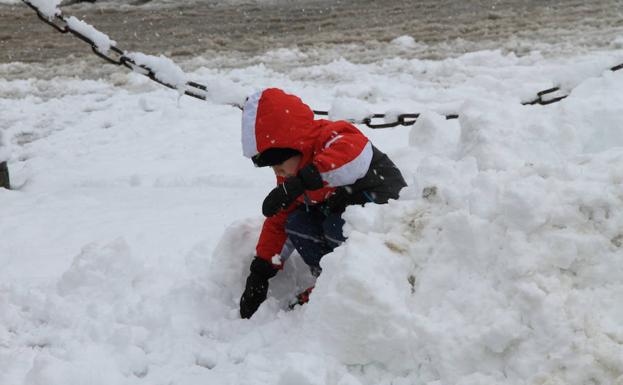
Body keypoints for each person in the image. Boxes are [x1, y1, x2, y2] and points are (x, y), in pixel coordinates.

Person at [239, 88, 407, 319]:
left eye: (279, 162)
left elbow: (350, 158)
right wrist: (260, 271)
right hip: (336, 209)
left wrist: (303, 180)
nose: (277, 171)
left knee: (336, 226)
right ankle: (327, 280)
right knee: (297, 222)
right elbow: (279, 221)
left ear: (296, 145)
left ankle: (358, 279)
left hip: (381, 217)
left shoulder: (333, 136)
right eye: (271, 166)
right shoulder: (292, 175)